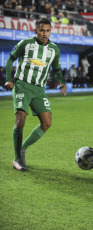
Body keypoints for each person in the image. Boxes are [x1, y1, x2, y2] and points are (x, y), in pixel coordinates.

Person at [4, 18, 67, 171]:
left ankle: (23, 148)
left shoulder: (54, 50)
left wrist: (61, 83)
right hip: (22, 86)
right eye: (42, 30)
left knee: (47, 123)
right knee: (21, 119)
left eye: (47, 30)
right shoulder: (25, 44)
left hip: (39, 90)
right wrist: (8, 79)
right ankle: (18, 158)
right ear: (35, 31)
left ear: (50, 31)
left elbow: (57, 69)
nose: (44, 33)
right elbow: (10, 60)